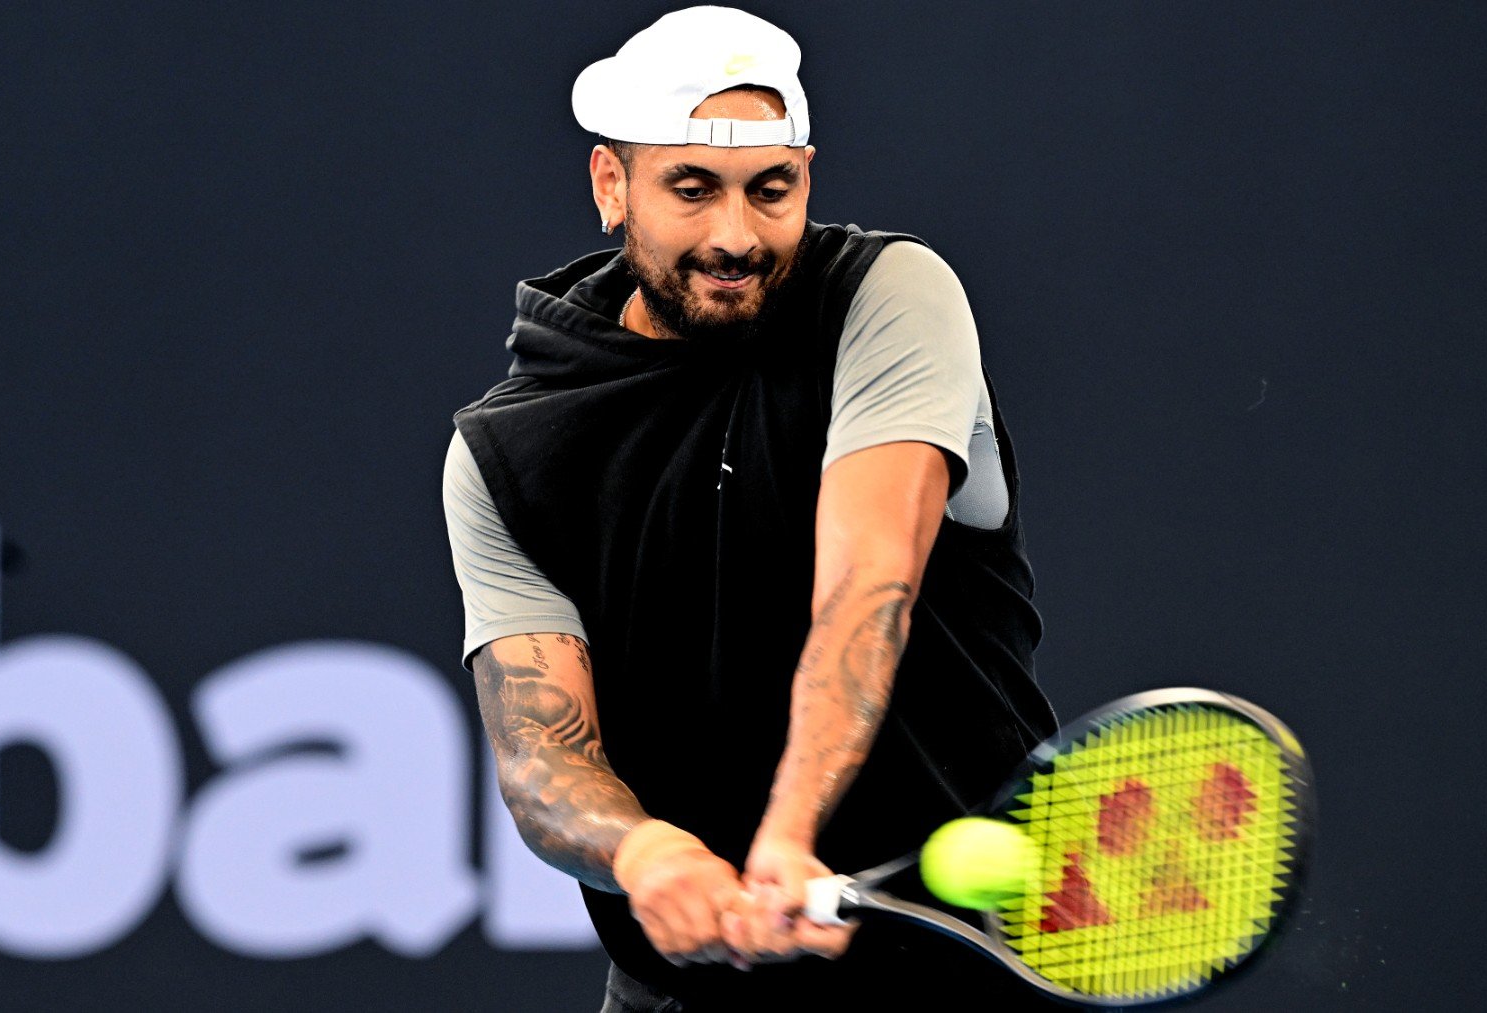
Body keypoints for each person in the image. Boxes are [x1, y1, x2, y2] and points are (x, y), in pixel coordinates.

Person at [443, 7, 1058, 1009]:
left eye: (770, 190)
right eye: (692, 188)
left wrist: (788, 829)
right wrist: (644, 852)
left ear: (804, 179)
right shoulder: (506, 451)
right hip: (685, 994)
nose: (736, 235)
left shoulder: (889, 296)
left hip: (965, 969)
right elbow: (544, 754)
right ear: (612, 187)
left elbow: (869, 585)